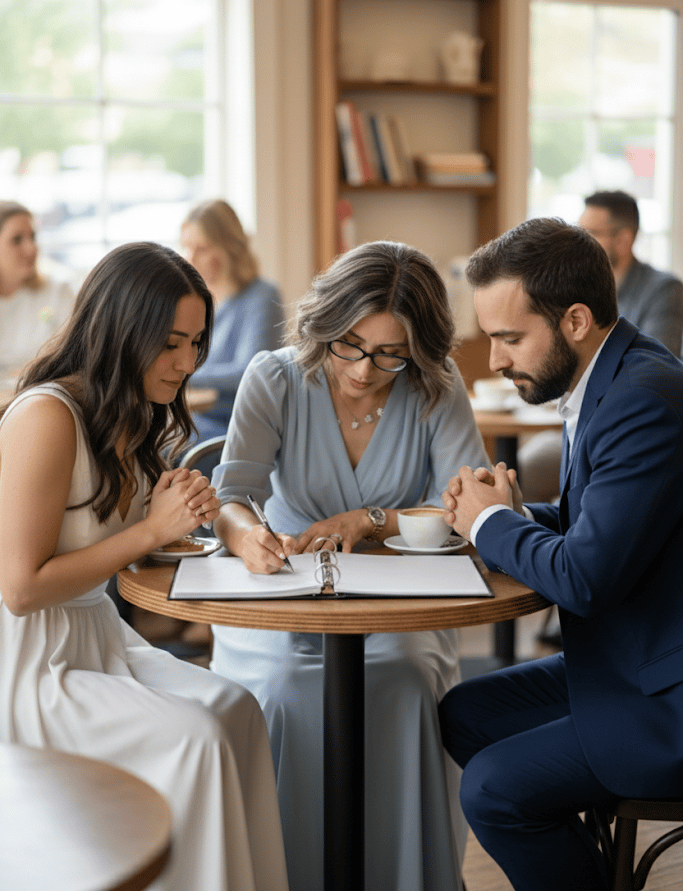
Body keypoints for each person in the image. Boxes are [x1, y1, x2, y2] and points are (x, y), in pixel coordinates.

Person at [0, 242, 289, 891]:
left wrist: (195, 527)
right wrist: (152, 530)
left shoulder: (131, 415)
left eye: (195, 342)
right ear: (120, 332)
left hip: (95, 638)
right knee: (195, 737)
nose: (187, 363)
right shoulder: (47, 415)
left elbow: (129, 537)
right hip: (31, 664)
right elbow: (20, 589)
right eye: (169, 343)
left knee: (237, 708)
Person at [210, 240, 490, 891]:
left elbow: (464, 504)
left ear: (417, 349)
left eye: (390, 352)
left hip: (401, 608)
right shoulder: (275, 376)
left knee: (407, 680)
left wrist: (368, 520)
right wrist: (248, 534)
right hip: (283, 599)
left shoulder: (435, 384)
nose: (364, 369)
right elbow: (231, 498)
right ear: (324, 326)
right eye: (349, 344)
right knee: (281, 686)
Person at [438, 218, 683, 891]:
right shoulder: (613, 379)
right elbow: (601, 528)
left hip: (664, 697)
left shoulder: (642, 401)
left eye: (508, 337)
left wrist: (490, 522)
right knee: (463, 713)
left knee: (492, 789)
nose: (493, 360)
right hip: (628, 660)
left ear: (574, 319)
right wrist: (508, 518)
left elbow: (581, 578)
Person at [519, 190, 683, 505]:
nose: (579, 241)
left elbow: (654, 373)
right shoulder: (579, 292)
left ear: (624, 240)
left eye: (591, 233)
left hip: (627, 430)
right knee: (518, 472)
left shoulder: (663, 290)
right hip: (573, 425)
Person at [180, 199, 286, 444]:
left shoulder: (262, 296)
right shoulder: (197, 299)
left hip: (236, 427)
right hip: (200, 417)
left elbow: (250, 372)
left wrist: (183, 371)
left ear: (228, 248)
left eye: (202, 248)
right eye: (187, 247)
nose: (190, 258)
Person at [0, 200, 75, 375]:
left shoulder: (59, 293)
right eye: (16, 240)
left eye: (32, 237)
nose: (31, 248)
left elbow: (76, 360)